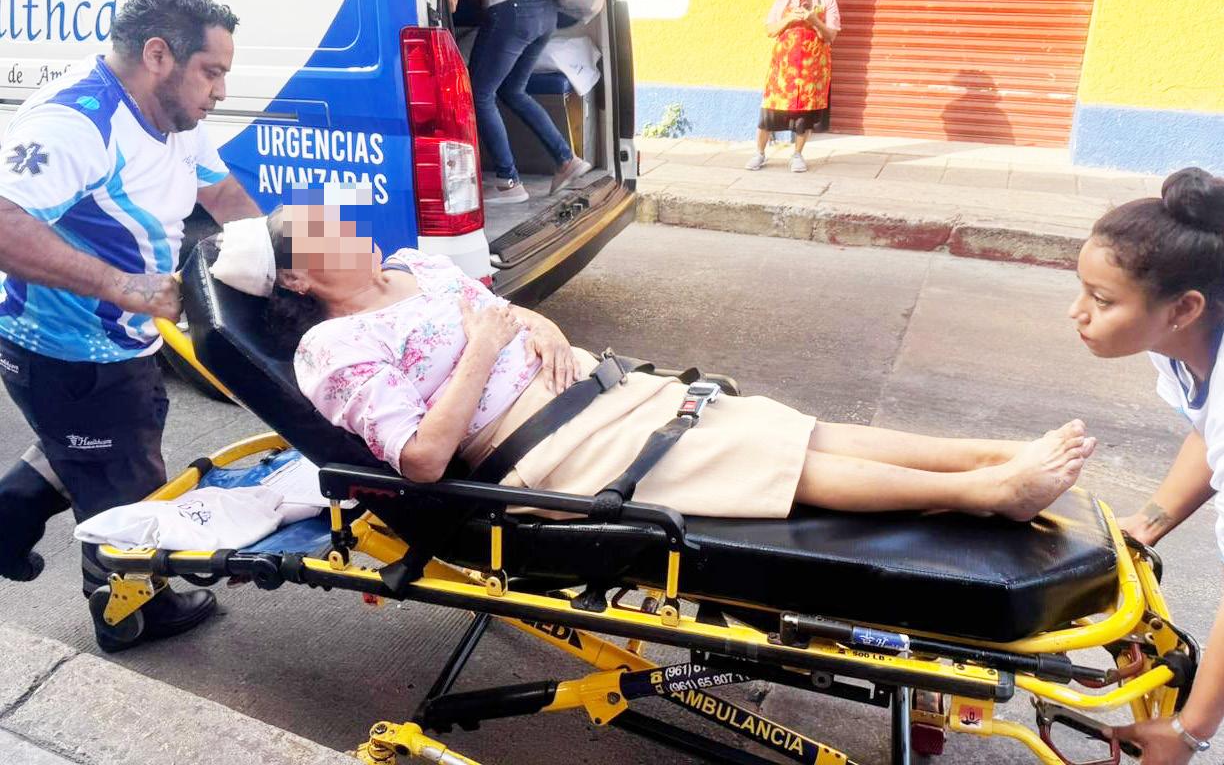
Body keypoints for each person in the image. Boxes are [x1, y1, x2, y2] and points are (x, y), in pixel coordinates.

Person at [212, 203, 1095, 523]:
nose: (348, 229)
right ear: (295, 276)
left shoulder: (420, 266)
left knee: (790, 426)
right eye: (322, 234)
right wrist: (484, 349)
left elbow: (507, 313)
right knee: (768, 461)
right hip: (546, 449)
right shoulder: (332, 348)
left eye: (338, 218)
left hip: (598, 387)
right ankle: (986, 493)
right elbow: (423, 460)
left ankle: (990, 455)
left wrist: (535, 326)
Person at [0, 0, 262, 652]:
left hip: (122, 341)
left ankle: (8, 515)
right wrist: (126, 288)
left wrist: (278, 259)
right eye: (212, 71)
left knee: (99, 444)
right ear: (157, 55)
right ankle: (132, 615)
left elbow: (223, 193)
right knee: (129, 489)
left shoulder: (175, 114)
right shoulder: (76, 124)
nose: (221, 91)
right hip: (68, 349)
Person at [1069, 167, 1224, 763]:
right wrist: (1146, 525)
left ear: (1184, 307)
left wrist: (1189, 730)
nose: (1077, 313)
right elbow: (1207, 433)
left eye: (1102, 300)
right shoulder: (1181, 345)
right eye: (1083, 289)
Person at [448, 0, 591, 205]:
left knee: (479, 94)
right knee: (513, 90)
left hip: (512, 10)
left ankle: (508, 182)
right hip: (545, 8)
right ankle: (566, 159)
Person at [748, 0, 840, 174]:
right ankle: (759, 153)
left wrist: (813, 19)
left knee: (803, 117)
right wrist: (790, 18)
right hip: (783, 69)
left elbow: (831, 35)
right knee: (769, 112)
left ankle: (797, 154)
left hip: (811, 70)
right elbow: (770, 30)